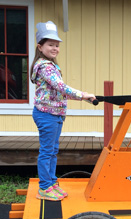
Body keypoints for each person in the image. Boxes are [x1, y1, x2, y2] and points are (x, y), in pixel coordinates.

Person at [30, 21, 96, 201]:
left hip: (55, 115)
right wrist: (83, 94)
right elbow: (62, 87)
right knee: (47, 151)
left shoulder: (51, 66)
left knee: (52, 151)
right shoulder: (44, 66)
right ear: (40, 46)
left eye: (57, 45)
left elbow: (60, 93)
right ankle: (44, 187)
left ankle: (51, 183)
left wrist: (86, 98)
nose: (55, 48)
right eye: (50, 44)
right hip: (46, 115)